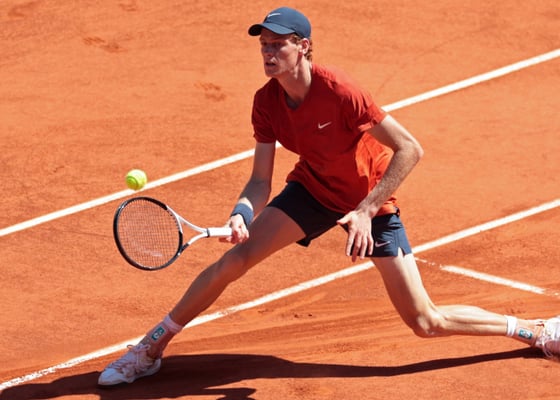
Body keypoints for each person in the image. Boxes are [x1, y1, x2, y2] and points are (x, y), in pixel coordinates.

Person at [98, 7, 560, 386]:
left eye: (277, 44)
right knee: (233, 262)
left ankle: (534, 331)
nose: (268, 52)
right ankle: (149, 348)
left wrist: (365, 210)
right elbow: (260, 180)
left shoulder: (340, 91)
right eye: (263, 45)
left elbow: (410, 148)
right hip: (313, 190)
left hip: (371, 201)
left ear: (303, 46)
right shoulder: (266, 102)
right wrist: (241, 213)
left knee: (425, 322)